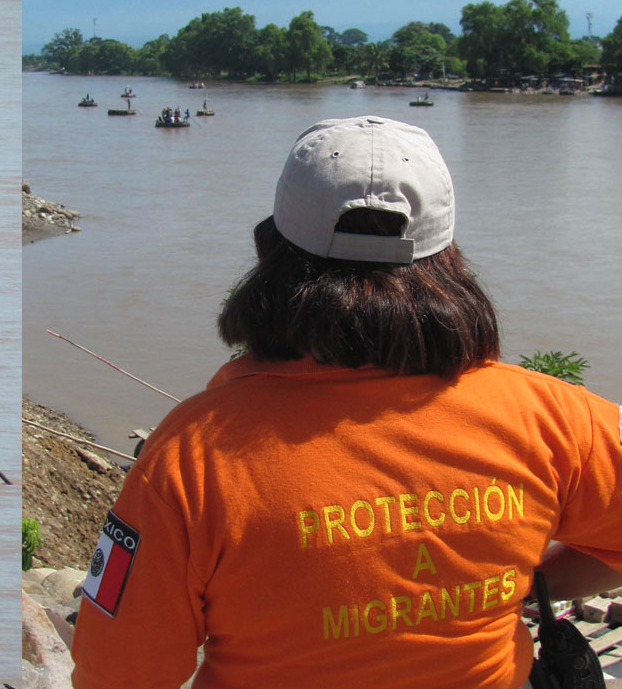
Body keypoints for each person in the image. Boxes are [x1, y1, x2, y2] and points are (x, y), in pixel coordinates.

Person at [70, 115, 622, 689]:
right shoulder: (552, 416)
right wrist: (525, 578)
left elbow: (117, 675)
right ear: (449, 258)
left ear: (271, 251)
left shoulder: (191, 458)